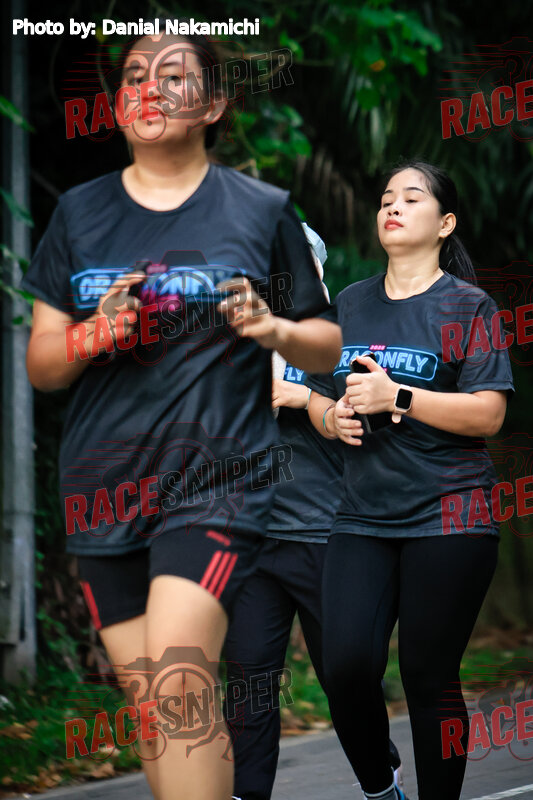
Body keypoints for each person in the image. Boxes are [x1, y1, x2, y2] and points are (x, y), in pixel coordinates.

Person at [22, 31, 341, 800]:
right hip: (102, 488)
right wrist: (98, 331)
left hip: (215, 482)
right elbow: (42, 364)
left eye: (173, 75)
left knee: (179, 676)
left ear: (215, 104)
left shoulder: (259, 210)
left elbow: (325, 341)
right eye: (134, 74)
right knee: (159, 710)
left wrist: (272, 328)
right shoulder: (78, 214)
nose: (149, 88)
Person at [306, 161, 514, 800]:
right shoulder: (349, 302)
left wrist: (398, 396)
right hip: (362, 516)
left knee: (428, 675)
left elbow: (489, 413)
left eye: (411, 198)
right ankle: (382, 787)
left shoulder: (469, 306)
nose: (392, 207)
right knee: (346, 667)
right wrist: (333, 417)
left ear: (444, 223)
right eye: (386, 199)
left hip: (450, 514)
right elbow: (316, 396)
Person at [224, 227, 408, 800]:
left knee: (346, 680)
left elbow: (372, 424)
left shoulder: (345, 340)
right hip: (250, 540)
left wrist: (305, 398)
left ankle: (381, 784)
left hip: (328, 536)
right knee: (249, 687)